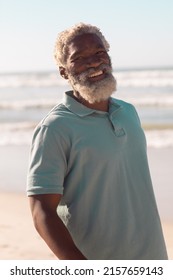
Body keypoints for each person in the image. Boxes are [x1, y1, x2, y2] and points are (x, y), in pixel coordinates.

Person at [27, 23, 168, 260]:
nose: (94, 62)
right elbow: (41, 211)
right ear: (64, 71)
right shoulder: (54, 127)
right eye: (79, 57)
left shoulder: (128, 112)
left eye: (99, 53)